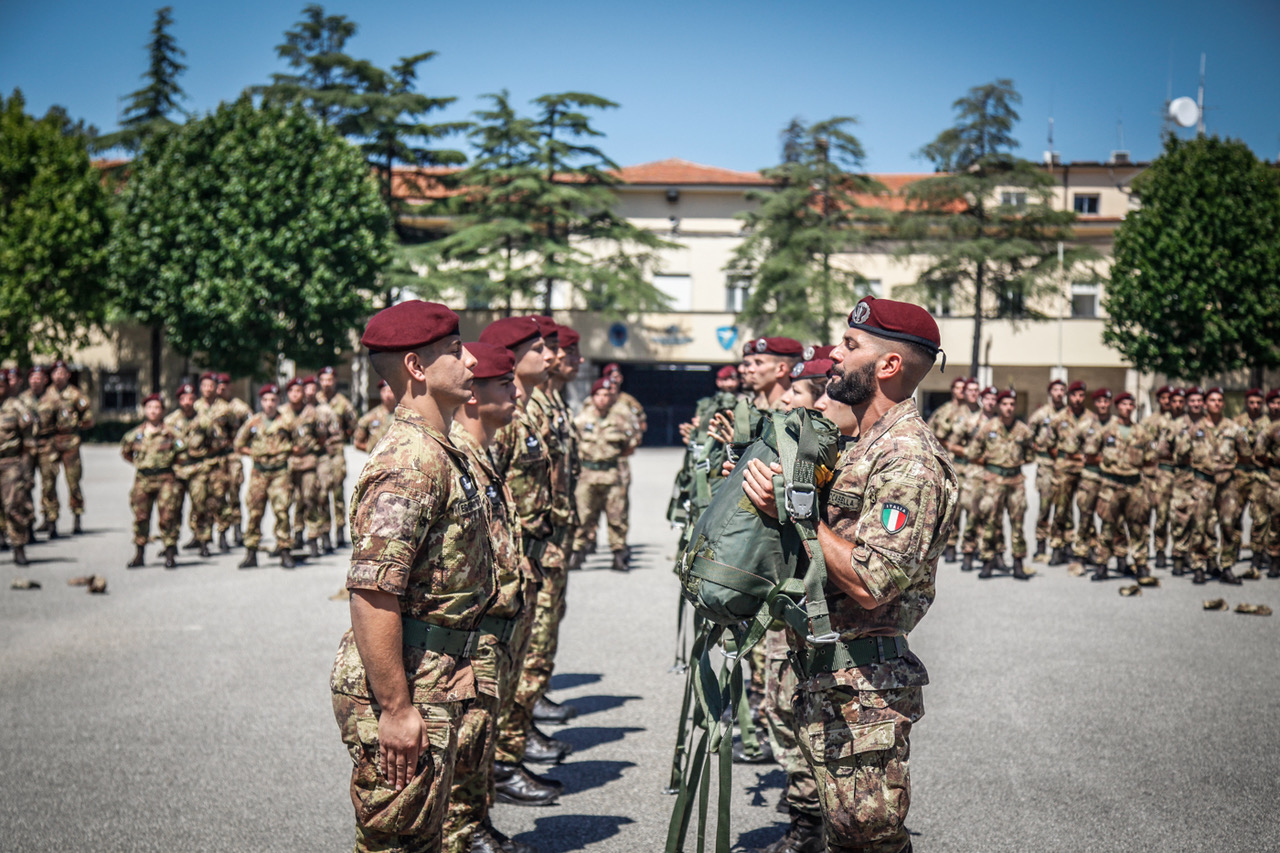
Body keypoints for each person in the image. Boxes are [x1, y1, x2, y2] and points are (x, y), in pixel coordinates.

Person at [741, 295, 957, 853]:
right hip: (830, 681)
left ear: (887, 367)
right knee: (841, 835)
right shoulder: (862, 442)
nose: (835, 355)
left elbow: (869, 581)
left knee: (867, 841)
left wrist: (795, 513)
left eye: (851, 346)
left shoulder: (908, 460)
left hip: (864, 691)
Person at [329, 300, 494, 853]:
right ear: (415, 368)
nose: (470, 360)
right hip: (404, 683)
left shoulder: (442, 450)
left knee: (422, 838)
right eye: (454, 351)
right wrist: (396, 710)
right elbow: (373, 593)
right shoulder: (410, 462)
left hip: (431, 672)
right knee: (397, 842)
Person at [444, 341, 543, 853]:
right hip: (466, 636)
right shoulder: (456, 452)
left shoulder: (478, 452)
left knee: (480, 737)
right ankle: (464, 831)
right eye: (504, 383)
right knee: (466, 744)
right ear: (474, 397)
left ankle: (474, 825)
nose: (516, 391)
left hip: (494, 626)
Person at [479, 317, 568, 802]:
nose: (549, 354)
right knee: (515, 664)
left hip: (540, 553)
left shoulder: (530, 409)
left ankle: (509, 751)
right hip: (520, 561)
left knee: (527, 660)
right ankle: (503, 761)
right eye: (538, 347)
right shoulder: (507, 417)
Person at [571, 378, 636, 573]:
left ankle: (618, 555)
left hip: (611, 474)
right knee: (582, 515)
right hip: (587, 475)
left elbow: (629, 446)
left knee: (617, 517)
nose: (603, 399)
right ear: (593, 397)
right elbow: (572, 445)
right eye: (599, 394)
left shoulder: (620, 420)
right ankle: (577, 553)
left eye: (607, 395)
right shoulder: (582, 419)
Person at [967, 389, 1034, 579]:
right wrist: (989, 463)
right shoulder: (988, 428)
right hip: (993, 481)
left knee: (1018, 523)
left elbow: (1030, 455)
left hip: (1015, 481)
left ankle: (1018, 564)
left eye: (1012, 404)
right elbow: (973, 452)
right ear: (999, 406)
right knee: (991, 522)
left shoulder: (1023, 430)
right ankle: (988, 562)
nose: (1009, 408)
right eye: (1004, 404)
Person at [1092, 392, 1154, 581]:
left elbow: (1150, 460)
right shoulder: (1106, 430)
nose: (1127, 407)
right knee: (1108, 527)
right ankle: (1102, 565)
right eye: (1123, 404)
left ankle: (1141, 564)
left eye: (1130, 404)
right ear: (1117, 406)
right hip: (1111, 484)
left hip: (1134, 485)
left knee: (1138, 528)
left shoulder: (1141, 432)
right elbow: (1091, 452)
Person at [234, 384, 296, 569]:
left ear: (278, 402)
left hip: (280, 473)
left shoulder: (287, 421)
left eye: (273, 400)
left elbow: (299, 443)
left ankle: (285, 551)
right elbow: (239, 444)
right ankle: (251, 552)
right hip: (259, 472)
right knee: (254, 512)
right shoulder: (253, 422)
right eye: (266, 400)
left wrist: (285, 452)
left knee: (282, 511)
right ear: (261, 402)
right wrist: (254, 452)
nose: (269, 404)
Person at [121, 393, 184, 569]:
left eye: (157, 407)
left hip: (166, 479)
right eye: (150, 407)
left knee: (168, 517)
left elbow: (182, 453)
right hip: (143, 479)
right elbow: (125, 452)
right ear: (145, 410)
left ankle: (170, 553)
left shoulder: (171, 434)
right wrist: (140, 464)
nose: (153, 411)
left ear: (163, 410)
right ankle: (139, 554)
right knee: (141, 517)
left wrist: (169, 465)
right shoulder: (135, 434)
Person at [946, 384, 998, 571]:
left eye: (994, 399)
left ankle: (992, 554)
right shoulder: (970, 421)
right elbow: (952, 444)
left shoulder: (1001, 423)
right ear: (982, 401)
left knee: (993, 515)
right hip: (974, 472)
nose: (991, 402)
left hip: (995, 475)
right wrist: (972, 453)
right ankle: (966, 550)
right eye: (988, 399)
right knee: (971, 512)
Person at [165, 383, 219, 558]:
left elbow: (216, 441)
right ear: (179, 400)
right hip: (178, 470)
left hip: (198, 469)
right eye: (183, 399)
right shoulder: (170, 422)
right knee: (173, 508)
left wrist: (204, 456)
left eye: (190, 399)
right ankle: (171, 544)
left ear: (195, 401)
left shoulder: (205, 420)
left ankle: (203, 541)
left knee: (200, 505)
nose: (187, 402)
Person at [1065, 388, 1112, 571]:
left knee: (1110, 519)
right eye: (1099, 401)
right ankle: (1081, 554)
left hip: (1110, 478)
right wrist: (1083, 458)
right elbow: (1070, 448)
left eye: (1106, 401)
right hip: (1090, 477)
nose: (1103, 405)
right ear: (1095, 404)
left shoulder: (1115, 425)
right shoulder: (1085, 425)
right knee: (1085, 517)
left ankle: (1105, 556)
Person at [284, 376, 328, 558]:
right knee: (292, 500)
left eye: (299, 391)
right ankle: (296, 535)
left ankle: (313, 538)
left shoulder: (312, 413)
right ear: (288, 393)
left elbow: (322, 435)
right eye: (293, 391)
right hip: (289, 464)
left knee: (310, 498)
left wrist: (309, 448)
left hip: (308, 462)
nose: (296, 394)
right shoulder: (282, 413)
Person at [1046, 381, 1089, 565]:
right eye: (1074, 395)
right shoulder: (1058, 418)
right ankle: (1057, 546)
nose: (1077, 399)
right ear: (1068, 396)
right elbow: (1049, 444)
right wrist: (1063, 458)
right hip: (1063, 470)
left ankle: (1085, 548)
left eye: (1080, 395)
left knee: (1086, 509)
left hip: (1086, 471)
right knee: (1061, 509)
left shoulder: (1091, 419)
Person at [48, 360, 93, 535]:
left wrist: (75, 425)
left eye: (62, 373)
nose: (58, 376)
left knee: (73, 482)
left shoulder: (76, 395)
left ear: (68, 375)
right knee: (48, 482)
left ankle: (77, 517)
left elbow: (88, 419)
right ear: (51, 376)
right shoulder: (46, 395)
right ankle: (50, 519)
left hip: (70, 442)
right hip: (50, 443)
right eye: (55, 373)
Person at [193, 372, 236, 553]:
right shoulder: (194, 407)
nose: (208, 389)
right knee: (199, 499)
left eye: (211, 386)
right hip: (199, 461)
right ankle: (202, 538)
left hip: (218, 460)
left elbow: (235, 429)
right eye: (204, 386)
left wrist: (228, 444)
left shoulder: (225, 408)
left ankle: (223, 534)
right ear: (200, 388)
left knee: (219, 498)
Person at [318, 366, 359, 549]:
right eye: (324, 379)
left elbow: (352, 425)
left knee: (337, 492)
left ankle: (340, 531)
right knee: (320, 492)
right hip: (319, 453)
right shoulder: (314, 401)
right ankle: (325, 532)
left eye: (330, 379)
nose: (327, 383)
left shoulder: (343, 402)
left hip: (336, 453)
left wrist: (340, 437)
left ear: (334, 381)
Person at [1027, 378, 1066, 561]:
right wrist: (1037, 448)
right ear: (1050, 392)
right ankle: (1041, 545)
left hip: (1064, 466)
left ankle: (1060, 545)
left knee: (1063, 508)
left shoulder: (1068, 414)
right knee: (1045, 506)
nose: (1059, 393)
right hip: (1045, 466)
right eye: (1056, 389)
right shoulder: (1041, 414)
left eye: (1061, 389)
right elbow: (1028, 435)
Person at [1234, 388, 1271, 577]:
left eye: (1258, 403)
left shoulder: (1268, 423)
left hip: (1259, 475)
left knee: (1260, 517)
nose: (1255, 406)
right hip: (1240, 474)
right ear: (1246, 402)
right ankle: (1233, 551)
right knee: (1235, 515)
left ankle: (1257, 554)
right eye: (1252, 402)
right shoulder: (1236, 423)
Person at [303, 375, 342, 553]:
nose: (310, 391)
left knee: (323, 493)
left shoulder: (325, 410)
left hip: (322, 457)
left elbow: (336, 432)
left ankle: (325, 533)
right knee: (304, 496)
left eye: (313, 388)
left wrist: (324, 441)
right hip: (303, 460)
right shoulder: (296, 411)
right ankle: (303, 534)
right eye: (306, 388)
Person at [1143, 386, 1179, 569]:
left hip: (1180, 474)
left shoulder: (1181, 421)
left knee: (1180, 515)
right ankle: (1159, 550)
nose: (1167, 401)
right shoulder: (1150, 422)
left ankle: (1181, 551)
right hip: (1157, 473)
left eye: (1170, 398)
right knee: (1160, 514)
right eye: (1164, 398)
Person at [0, 375, 34, 566]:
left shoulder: (17, 407)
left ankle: (19, 548)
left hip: (10, 464)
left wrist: (26, 471)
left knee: (14, 507)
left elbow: (29, 443)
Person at [216, 373, 253, 547]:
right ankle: (222, 531)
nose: (221, 389)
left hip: (233, 455)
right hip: (215, 457)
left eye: (224, 386)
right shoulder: (209, 407)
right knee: (216, 495)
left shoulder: (239, 406)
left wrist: (245, 445)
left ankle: (238, 529)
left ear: (230, 386)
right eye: (218, 386)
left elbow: (252, 426)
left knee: (234, 491)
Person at [1253, 390, 1280, 578]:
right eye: (1273, 402)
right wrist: (1273, 461)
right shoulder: (1270, 427)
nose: (1277, 406)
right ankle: (1271, 559)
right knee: (1271, 519)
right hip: (1271, 478)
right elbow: (1259, 451)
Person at [355, 381, 398, 452]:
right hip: (376, 461)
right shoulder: (371, 416)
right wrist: (371, 449)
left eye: (390, 391)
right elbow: (358, 442)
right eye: (384, 391)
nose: (387, 395)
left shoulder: (402, 415)